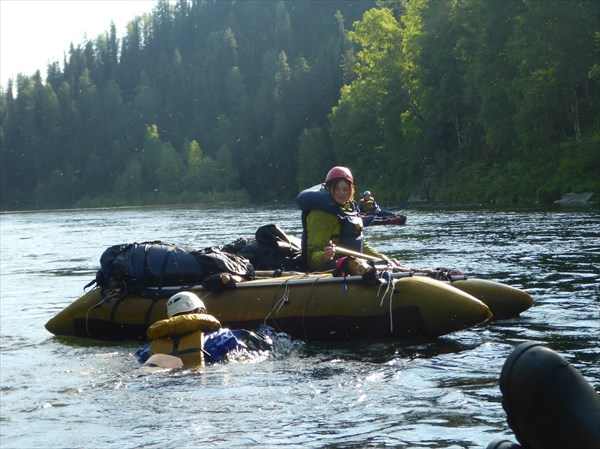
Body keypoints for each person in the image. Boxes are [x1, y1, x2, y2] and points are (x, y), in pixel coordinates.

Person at [296, 166, 414, 272]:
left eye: (345, 189)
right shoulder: (320, 215)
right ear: (329, 189)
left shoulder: (350, 210)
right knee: (356, 265)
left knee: (387, 264)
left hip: (354, 264)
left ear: (350, 190)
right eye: (337, 189)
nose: (341, 193)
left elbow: (360, 244)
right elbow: (312, 254)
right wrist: (325, 257)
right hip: (329, 268)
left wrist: (385, 260)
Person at [136, 291, 275, 369]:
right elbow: (261, 344)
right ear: (201, 312)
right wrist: (269, 331)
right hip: (204, 377)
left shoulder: (147, 349)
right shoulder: (222, 337)